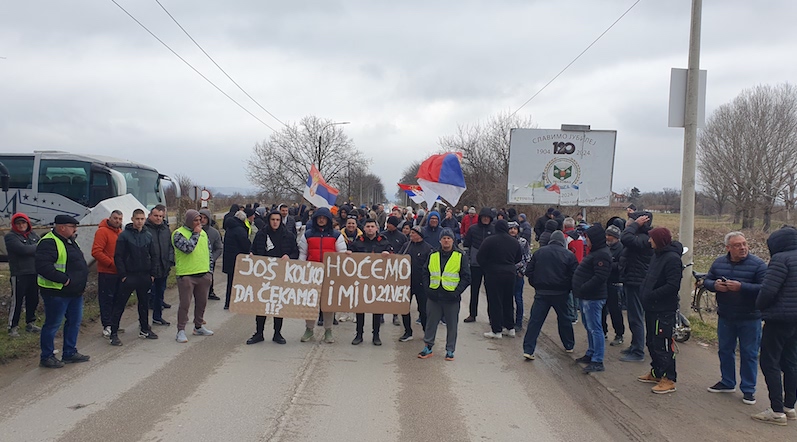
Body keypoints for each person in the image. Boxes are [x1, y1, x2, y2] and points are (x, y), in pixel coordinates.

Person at [701, 231, 767, 404]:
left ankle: (748, 389)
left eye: (744, 244)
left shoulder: (758, 265)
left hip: (750, 317)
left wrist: (741, 287)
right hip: (726, 315)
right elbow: (707, 280)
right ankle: (727, 382)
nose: (742, 248)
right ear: (728, 248)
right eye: (737, 245)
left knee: (749, 354)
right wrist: (714, 285)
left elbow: (765, 288)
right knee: (725, 349)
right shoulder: (719, 263)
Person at [751, 226, 797, 425]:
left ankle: (776, 410)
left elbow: (768, 290)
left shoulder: (780, 259)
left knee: (770, 362)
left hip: (778, 319)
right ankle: (790, 406)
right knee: (791, 362)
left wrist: (759, 306)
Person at [36, 215, 90, 368]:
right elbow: (43, 267)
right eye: (72, 227)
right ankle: (46, 356)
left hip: (74, 293)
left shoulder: (70, 240)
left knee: (74, 322)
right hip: (57, 293)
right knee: (53, 324)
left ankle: (69, 352)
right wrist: (64, 280)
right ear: (62, 227)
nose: (75, 230)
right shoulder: (49, 242)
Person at [636, 227, 682, 394]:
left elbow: (672, 286)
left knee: (662, 344)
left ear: (659, 240)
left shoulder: (672, 259)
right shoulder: (657, 255)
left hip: (663, 310)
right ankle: (656, 373)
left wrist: (652, 295)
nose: (649, 241)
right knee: (651, 342)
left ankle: (669, 379)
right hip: (651, 308)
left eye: (652, 238)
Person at [522, 231, 578, 360]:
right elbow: (575, 275)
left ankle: (528, 349)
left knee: (535, 321)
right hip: (561, 293)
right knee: (565, 319)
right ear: (563, 242)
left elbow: (529, 271)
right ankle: (569, 345)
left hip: (541, 292)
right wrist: (568, 287)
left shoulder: (540, 252)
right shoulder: (569, 255)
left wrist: (536, 284)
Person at [247, 209, 298, 345]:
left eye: (277, 220)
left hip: (280, 275)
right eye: (272, 220)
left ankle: (277, 333)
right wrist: (252, 254)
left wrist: (289, 256)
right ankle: (259, 333)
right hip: (263, 275)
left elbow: (295, 252)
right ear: (269, 221)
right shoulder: (261, 234)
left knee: (278, 305)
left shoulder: (288, 235)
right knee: (261, 305)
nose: (275, 222)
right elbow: (253, 249)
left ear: (280, 221)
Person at [418, 228, 471, 361]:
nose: (446, 240)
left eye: (448, 238)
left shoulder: (460, 255)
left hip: (451, 297)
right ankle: (428, 347)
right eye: (444, 238)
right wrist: (427, 289)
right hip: (434, 296)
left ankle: (450, 350)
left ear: (453, 240)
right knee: (431, 323)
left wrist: (456, 292)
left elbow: (466, 277)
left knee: (452, 325)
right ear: (440, 240)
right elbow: (425, 272)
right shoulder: (433, 254)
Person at [298, 207, 347, 344]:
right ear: (315, 219)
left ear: (328, 220)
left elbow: (341, 255)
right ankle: (309, 329)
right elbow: (303, 254)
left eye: (324, 218)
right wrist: (301, 270)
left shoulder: (336, 235)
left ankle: (328, 330)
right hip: (311, 273)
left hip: (329, 274)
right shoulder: (307, 235)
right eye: (319, 217)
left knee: (328, 304)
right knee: (310, 303)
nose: (321, 220)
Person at [111, 209, 157, 345]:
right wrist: (123, 275)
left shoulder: (148, 235)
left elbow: (154, 255)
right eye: (137, 219)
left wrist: (153, 274)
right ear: (132, 219)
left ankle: (144, 329)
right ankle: (113, 333)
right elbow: (118, 257)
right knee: (120, 304)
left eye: (142, 219)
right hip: (129, 276)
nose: (140, 221)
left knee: (144, 304)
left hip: (144, 275)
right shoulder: (124, 236)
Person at [572, 225, 612, 374]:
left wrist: (583, 287)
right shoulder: (596, 252)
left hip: (593, 297)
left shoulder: (601, 255)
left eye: (587, 238)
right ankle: (591, 352)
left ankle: (598, 359)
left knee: (595, 328)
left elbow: (600, 277)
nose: (585, 240)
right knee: (589, 326)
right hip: (586, 296)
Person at [348, 219, 393, 345]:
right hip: (361, 280)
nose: (370, 229)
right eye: (367, 226)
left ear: (376, 228)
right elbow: (349, 253)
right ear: (364, 228)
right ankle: (359, 334)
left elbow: (393, 255)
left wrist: (388, 253)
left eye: (372, 226)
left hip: (377, 281)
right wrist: (349, 253)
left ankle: (376, 335)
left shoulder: (383, 241)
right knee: (360, 308)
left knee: (376, 308)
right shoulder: (358, 241)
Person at [172, 210, 214, 343]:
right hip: (186, 275)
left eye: (200, 220)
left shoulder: (204, 233)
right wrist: (195, 233)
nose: (199, 222)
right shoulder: (178, 234)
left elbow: (209, 252)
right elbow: (188, 248)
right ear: (189, 220)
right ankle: (181, 330)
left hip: (203, 273)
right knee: (185, 304)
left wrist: (210, 272)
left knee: (202, 302)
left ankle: (198, 326)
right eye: (196, 220)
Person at [478, 219, 522, 339]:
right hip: (510, 273)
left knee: (495, 301)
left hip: (493, 273)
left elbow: (480, 257)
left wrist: (487, 267)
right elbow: (519, 258)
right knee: (508, 300)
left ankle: (496, 330)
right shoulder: (514, 242)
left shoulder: (489, 241)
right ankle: (510, 327)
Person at [619, 211, 654, 362]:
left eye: (631, 221)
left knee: (636, 317)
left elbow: (625, 237)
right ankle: (634, 345)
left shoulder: (643, 239)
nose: (628, 223)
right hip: (632, 279)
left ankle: (638, 351)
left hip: (637, 281)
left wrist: (635, 224)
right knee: (633, 316)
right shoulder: (641, 237)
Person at [5, 213, 41, 337]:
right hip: (19, 273)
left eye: (23, 223)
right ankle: (12, 326)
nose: (21, 225)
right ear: (14, 225)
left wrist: (33, 248)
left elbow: (38, 249)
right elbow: (22, 250)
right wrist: (36, 247)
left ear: (27, 223)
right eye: (18, 223)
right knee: (17, 301)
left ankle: (30, 323)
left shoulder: (33, 235)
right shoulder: (10, 237)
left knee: (33, 299)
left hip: (34, 272)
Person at [91, 210, 123, 338]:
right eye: (115, 218)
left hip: (119, 272)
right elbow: (96, 252)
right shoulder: (102, 231)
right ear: (110, 218)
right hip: (106, 272)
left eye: (120, 219)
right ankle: (107, 325)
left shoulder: (120, 233)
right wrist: (111, 263)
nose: (117, 221)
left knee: (117, 299)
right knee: (106, 300)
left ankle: (114, 324)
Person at [399, 226, 433, 342]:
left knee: (423, 310)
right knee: (404, 309)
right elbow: (398, 259)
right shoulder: (406, 246)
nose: (410, 234)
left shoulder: (428, 249)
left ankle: (426, 331)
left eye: (413, 233)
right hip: (406, 283)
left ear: (419, 235)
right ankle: (407, 331)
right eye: (411, 232)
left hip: (421, 284)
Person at [462, 207, 494, 323]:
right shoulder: (472, 229)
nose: (486, 219)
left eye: (488, 217)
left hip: (490, 265)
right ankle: (472, 314)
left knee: (491, 291)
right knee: (474, 290)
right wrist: (468, 260)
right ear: (480, 217)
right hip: (475, 264)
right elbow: (466, 245)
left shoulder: (494, 229)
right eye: (484, 217)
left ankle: (492, 316)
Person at [145, 205, 173, 326]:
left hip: (164, 267)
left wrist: (170, 261)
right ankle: (144, 322)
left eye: (161, 216)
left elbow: (170, 246)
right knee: (147, 296)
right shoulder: (145, 230)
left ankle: (157, 317)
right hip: (149, 270)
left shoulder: (165, 229)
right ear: (150, 215)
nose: (158, 218)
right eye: (156, 216)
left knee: (160, 294)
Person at [223, 210, 251, 310]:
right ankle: (238, 302)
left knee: (230, 282)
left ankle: (227, 303)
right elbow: (245, 245)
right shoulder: (240, 230)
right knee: (240, 282)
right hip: (238, 260)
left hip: (229, 259)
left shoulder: (229, 228)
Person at [603, 225, 626, 347]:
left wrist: (607, 264)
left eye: (610, 235)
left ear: (616, 237)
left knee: (615, 311)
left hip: (615, 283)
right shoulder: (605, 247)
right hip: (603, 283)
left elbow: (621, 266)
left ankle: (619, 334)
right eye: (606, 235)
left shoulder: (621, 249)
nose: (607, 237)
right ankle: (603, 332)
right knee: (602, 309)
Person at [508, 221, 530, 331]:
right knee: (507, 299)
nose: (512, 231)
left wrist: (522, 272)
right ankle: (508, 321)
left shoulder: (522, 242)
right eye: (510, 229)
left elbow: (527, 258)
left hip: (518, 274)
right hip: (506, 274)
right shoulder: (505, 242)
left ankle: (519, 322)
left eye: (514, 229)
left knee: (518, 298)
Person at [200, 209, 224, 301]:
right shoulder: (192, 231)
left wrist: (212, 259)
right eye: (200, 217)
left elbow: (219, 247)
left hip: (209, 259)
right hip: (196, 260)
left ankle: (210, 291)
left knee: (209, 277)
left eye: (205, 218)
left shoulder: (214, 232)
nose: (202, 220)